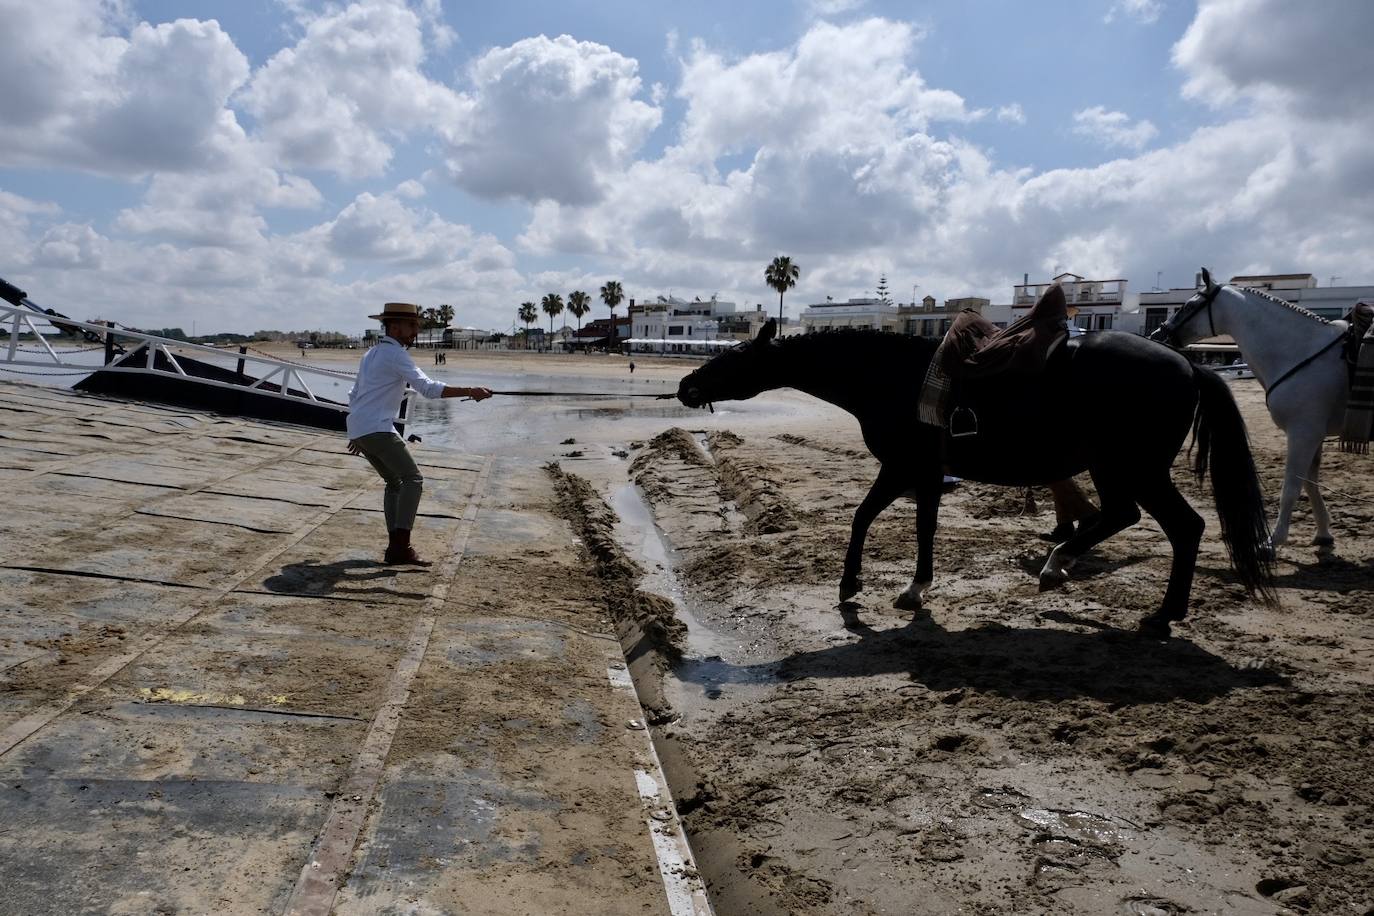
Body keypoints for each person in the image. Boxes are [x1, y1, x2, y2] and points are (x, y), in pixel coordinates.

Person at [347, 302, 492, 564]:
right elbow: (428, 388)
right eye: (412, 325)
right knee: (413, 479)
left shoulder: (371, 353)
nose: (416, 331)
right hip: (376, 428)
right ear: (394, 326)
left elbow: (355, 394)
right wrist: (471, 390)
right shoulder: (395, 355)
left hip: (362, 427)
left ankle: (395, 548)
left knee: (394, 483)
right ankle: (401, 548)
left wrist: (355, 432)